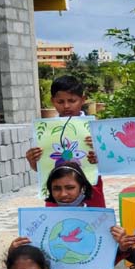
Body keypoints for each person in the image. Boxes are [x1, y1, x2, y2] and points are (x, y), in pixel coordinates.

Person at [25, 76, 106, 208]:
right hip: (57, 192)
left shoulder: (95, 127)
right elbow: (43, 166)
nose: (66, 106)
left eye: (72, 101)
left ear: (83, 99)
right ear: (53, 101)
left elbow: (109, 162)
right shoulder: (45, 131)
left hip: (91, 189)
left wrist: (100, 151)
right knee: (58, 220)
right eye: (60, 101)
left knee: (92, 219)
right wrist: (34, 161)